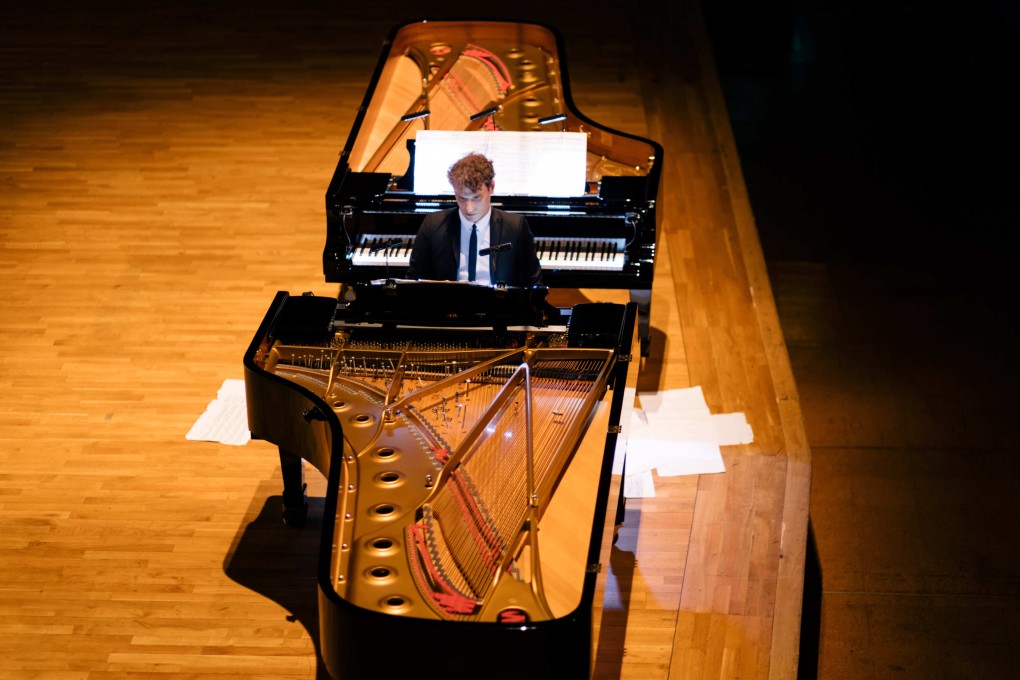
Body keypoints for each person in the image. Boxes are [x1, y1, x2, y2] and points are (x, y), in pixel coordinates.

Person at [406, 152, 542, 287]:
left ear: (491, 187)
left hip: (497, 301)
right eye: (461, 198)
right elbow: (413, 283)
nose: (469, 209)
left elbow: (533, 285)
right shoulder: (432, 224)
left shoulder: (516, 227)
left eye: (476, 197)